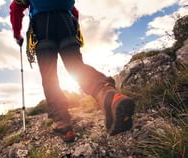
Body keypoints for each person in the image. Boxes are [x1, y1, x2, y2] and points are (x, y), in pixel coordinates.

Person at [9, 0, 135, 142]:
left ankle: (63, 124)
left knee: (49, 77)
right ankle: (109, 95)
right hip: (66, 22)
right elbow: (74, 12)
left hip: (42, 26)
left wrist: (17, 34)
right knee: (76, 67)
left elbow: (15, 7)